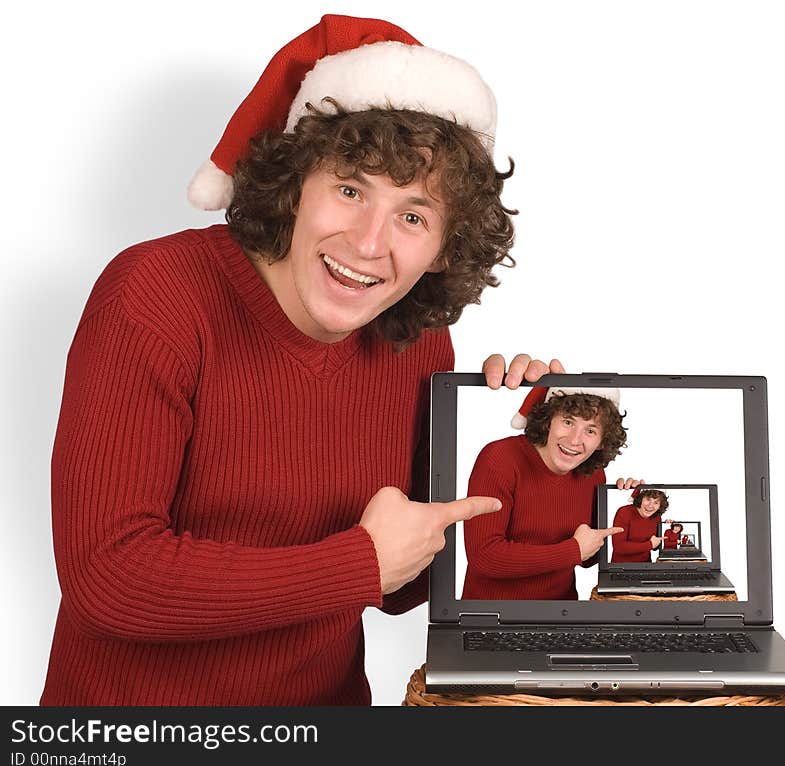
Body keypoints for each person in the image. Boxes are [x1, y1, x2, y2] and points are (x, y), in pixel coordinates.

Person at [40, 14, 563, 706]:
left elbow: (401, 585)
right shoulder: (156, 296)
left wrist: (506, 447)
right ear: (292, 187)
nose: (369, 243)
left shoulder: (418, 341)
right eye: (350, 190)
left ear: (444, 247)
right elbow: (110, 579)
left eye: (413, 216)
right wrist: (356, 563)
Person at [462, 386, 642, 600]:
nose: (575, 440)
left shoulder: (593, 475)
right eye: (568, 422)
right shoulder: (500, 458)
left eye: (590, 430)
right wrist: (572, 551)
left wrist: (624, 506)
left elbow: (587, 558)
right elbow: (484, 556)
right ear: (548, 420)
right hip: (493, 615)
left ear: (602, 441)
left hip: (562, 614)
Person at [610, 488, 670, 563]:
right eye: (648, 499)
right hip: (621, 567)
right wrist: (649, 545)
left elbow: (655, 545)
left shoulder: (656, 517)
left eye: (656, 502)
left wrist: (669, 528)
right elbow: (619, 547)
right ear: (641, 499)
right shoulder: (624, 512)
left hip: (645, 566)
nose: (650, 505)